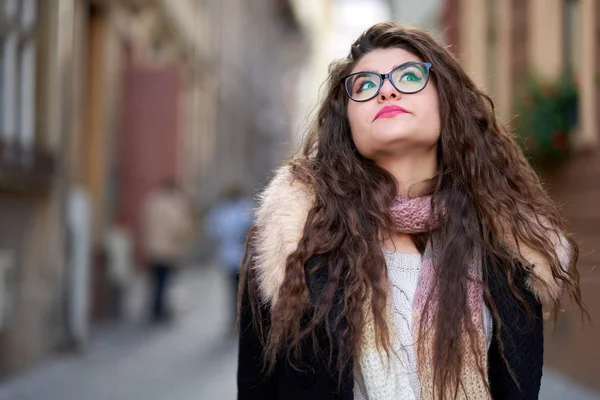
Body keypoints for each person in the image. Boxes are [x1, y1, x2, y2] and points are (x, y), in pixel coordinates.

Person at [237, 23, 586, 400]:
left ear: (445, 100)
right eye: (365, 85)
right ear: (346, 120)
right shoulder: (293, 242)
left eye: (408, 76)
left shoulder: (505, 245)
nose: (386, 89)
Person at [142, 178, 192, 324]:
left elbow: (145, 224)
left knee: (156, 281)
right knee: (165, 282)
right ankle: (161, 310)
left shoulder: (152, 202)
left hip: (153, 248)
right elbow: (179, 227)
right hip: (168, 250)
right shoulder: (173, 205)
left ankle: (155, 308)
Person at [204, 185, 254, 328]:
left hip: (232, 256)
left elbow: (211, 230)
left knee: (235, 291)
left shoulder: (222, 210)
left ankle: (236, 319)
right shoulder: (245, 208)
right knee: (241, 291)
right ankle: (239, 319)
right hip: (239, 257)